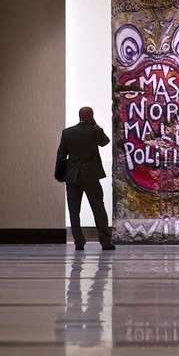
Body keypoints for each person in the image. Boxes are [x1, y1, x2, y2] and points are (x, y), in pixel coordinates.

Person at [55, 106, 115, 250]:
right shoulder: (94, 131)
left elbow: (61, 155)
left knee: (74, 210)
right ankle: (105, 242)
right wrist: (95, 124)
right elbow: (105, 141)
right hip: (91, 174)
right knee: (98, 208)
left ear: (79, 116)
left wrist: (59, 174)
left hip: (72, 175)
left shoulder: (67, 132)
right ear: (91, 116)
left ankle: (79, 242)